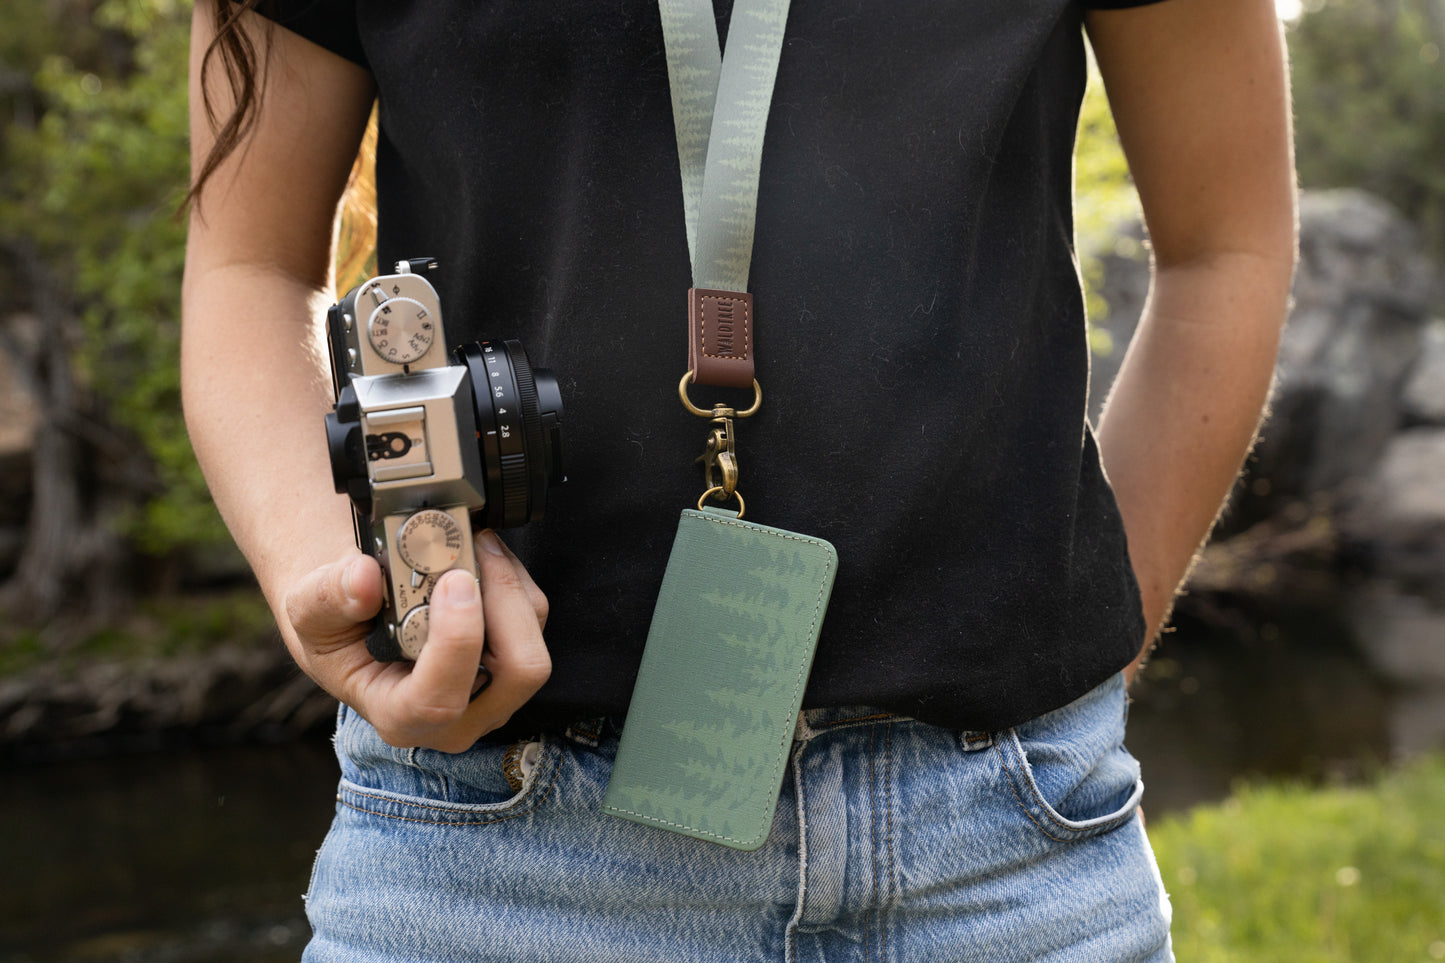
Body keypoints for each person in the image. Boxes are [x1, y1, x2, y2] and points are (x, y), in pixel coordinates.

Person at [181, 0, 1296, 959]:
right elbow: (247, 267)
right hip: (491, 852)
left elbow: (1224, 247)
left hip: (1009, 857)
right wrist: (371, 576)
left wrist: (1090, 646)